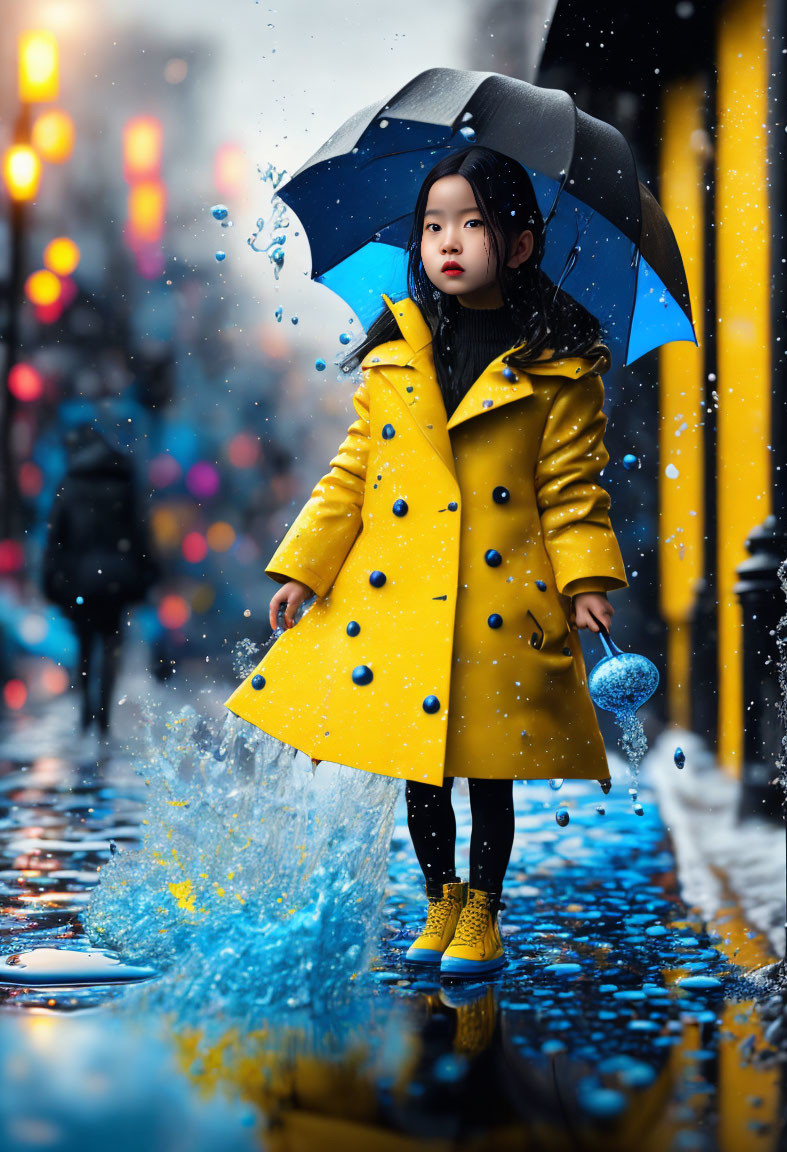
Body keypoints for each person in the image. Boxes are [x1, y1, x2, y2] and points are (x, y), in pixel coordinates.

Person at [226, 147, 628, 977]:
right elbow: (353, 474)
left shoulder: (557, 367)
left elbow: (571, 486)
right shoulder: (395, 352)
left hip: (498, 594)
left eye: (474, 224)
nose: (449, 242)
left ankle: (482, 909)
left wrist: (586, 578)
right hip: (405, 592)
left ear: (519, 245)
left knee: (488, 770)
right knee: (420, 767)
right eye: (435, 225)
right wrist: (305, 566)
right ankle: (440, 896)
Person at [41, 424, 161, 736]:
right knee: (111, 642)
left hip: (80, 580)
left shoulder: (70, 484)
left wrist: (51, 578)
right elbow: (140, 533)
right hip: (117, 580)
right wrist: (148, 573)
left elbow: (56, 538)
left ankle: (85, 707)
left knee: (84, 642)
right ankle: (103, 715)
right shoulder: (124, 482)